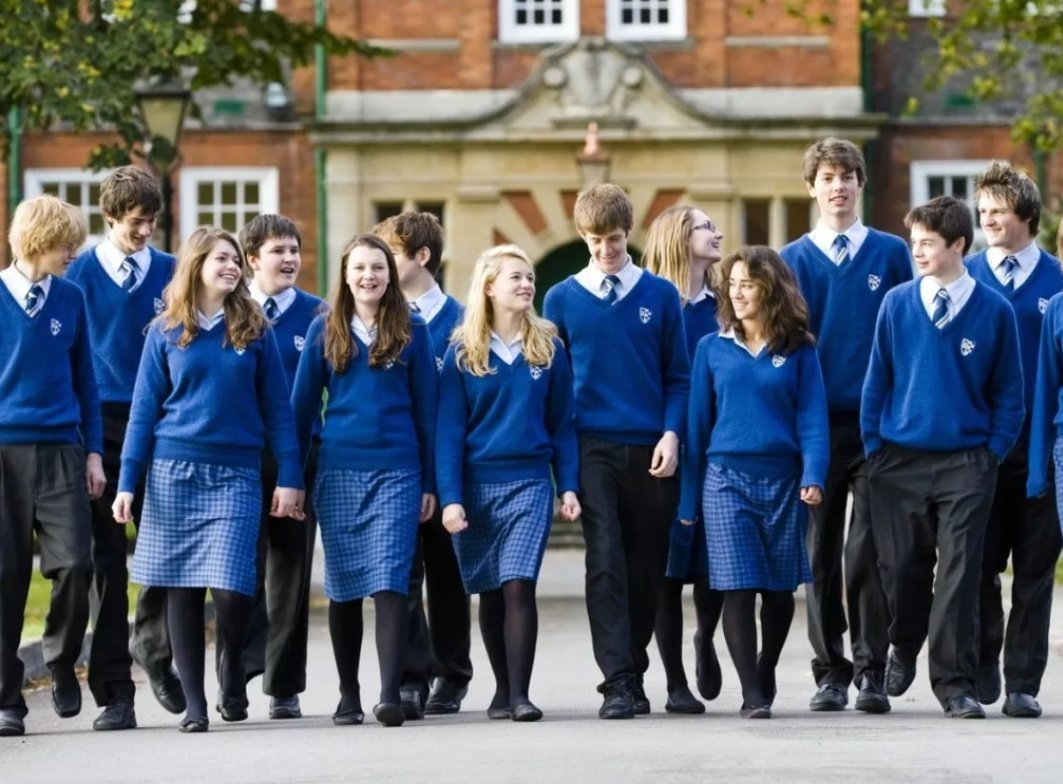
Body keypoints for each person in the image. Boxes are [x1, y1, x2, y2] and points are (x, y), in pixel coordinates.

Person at [113, 227, 304, 733]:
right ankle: (196, 707)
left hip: (238, 474)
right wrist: (128, 482)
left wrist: (289, 474)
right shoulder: (164, 332)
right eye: (221, 258)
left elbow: (279, 412)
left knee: (232, 586)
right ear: (196, 264)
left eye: (235, 260)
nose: (232, 266)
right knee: (181, 587)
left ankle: (231, 669)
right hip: (174, 473)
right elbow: (142, 414)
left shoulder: (254, 329)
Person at [862, 196, 1025, 719]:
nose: (917, 252)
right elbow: (876, 383)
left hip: (967, 465)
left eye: (927, 243)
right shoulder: (896, 304)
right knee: (902, 569)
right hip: (899, 462)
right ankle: (903, 644)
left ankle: (953, 684)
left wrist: (990, 455)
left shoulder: (995, 311)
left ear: (957, 245)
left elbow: (1010, 395)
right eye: (914, 244)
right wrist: (875, 450)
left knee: (959, 573)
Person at [543, 183, 690, 719]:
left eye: (614, 238)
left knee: (646, 565)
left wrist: (672, 433)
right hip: (592, 447)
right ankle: (619, 681)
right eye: (594, 239)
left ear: (630, 234)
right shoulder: (560, 299)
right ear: (582, 237)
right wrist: (562, 468)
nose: (605, 249)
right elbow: (556, 389)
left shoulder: (659, 296)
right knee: (605, 558)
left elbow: (679, 376)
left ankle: (634, 667)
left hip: (651, 445)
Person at [780, 138, 913, 714]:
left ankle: (870, 670)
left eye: (848, 176)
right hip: (814, 425)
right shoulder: (792, 260)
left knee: (868, 552)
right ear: (811, 187)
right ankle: (828, 671)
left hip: (876, 423)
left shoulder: (890, 253)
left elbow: (908, 335)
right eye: (827, 177)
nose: (838, 186)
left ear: (861, 184)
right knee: (819, 553)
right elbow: (783, 346)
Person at [290, 234, 437, 728]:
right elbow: (300, 411)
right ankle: (348, 695)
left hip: (399, 471)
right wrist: (293, 477)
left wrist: (431, 484)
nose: (369, 276)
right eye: (359, 268)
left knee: (392, 580)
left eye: (378, 267)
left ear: (390, 275)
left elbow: (429, 415)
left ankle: (389, 693)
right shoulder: (323, 331)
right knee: (345, 585)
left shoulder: (413, 330)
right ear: (346, 275)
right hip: (339, 472)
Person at [678, 246, 828, 719]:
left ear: (771, 289)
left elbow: (813, 420)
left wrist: (814, 475)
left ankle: (764, 668)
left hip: (784, 482)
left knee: (779, 591)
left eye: (748, 284)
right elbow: (697, 428)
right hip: (725, 481)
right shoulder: (711, 348)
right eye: (733, 284)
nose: (737, 293)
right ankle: (751, 693)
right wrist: (688, 500)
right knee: (738, 586)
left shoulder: (799, 348)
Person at [436, 244, 581, 722]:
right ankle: (501, 690)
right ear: (489, 286)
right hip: (476, 488)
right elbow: (450, 433)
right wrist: (451, 499)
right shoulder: (461, 353)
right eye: (515, 277)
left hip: (529, 484)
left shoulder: (550, 347)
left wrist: (568, 486)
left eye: (530, 278)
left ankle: (520, 694)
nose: (526, 285)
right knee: (492, 591)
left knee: (519, 584)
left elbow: (562, 425)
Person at [65, 166, 180, 729]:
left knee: (165, 552)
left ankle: (152, 648)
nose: (146, 233)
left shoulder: (174, 273)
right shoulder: (77, 277)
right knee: (106, 561)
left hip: (164, 425)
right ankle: (116, 694)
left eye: (153, 222)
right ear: (110, 218)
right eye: (136, 223)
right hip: (100, 426)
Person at [213, 215, 324, 721]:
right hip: (239, 456)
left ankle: (284, 685)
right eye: (278, 250)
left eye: (295, 249)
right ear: (251, 259)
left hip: (300, 456)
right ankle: (233, 673)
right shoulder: (228, 313)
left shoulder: (318, 315)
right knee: (239, 572)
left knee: (291, 574)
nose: (289, 259)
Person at [0, 196, 103, 738]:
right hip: (3, 453)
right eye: (68, 243)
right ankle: (7, 699)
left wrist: (92, 452)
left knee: (75, 567)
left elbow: (87, 381)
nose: (75, 251)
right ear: (39, 239)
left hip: (63, 451)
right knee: (4, 577)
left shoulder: (71, 298)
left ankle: (62, 662)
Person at [966, 162, 1063, 718]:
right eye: (982, 214)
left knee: (1033, 571)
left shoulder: (1057, 280)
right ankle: (982, 665)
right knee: (978, 566)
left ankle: (1023, 683)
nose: (988, 221)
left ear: (1025, 214)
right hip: (982, 451)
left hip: (1043, 450)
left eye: (997, 211)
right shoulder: (968, 275)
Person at [373, 211, 472, 719]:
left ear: (422, 257)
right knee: (402, 573)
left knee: (449, 573)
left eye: (391, 255)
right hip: (398, 468)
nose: (381, 267)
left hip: (453, 468)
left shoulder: (461, 321)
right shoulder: (383, 320)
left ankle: (452, 674)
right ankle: (410, 675)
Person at [641, 204, 726, 713]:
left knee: (716, 564)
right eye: (705, 227)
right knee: (668, 571)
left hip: (718, 448)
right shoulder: (649, 301)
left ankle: (706, 636)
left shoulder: (725, 306)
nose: (717, 233)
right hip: (666, 450)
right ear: (678, 236)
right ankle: (674, 682)